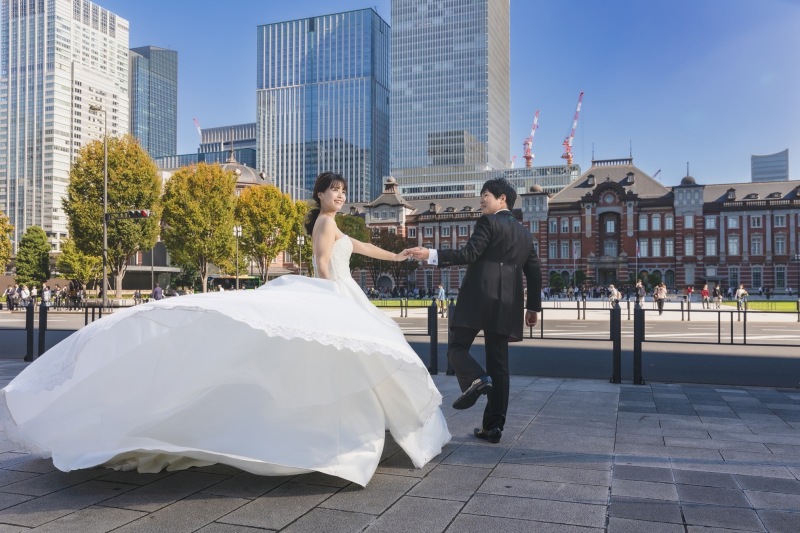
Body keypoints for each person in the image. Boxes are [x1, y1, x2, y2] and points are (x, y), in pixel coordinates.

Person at [0, 171, 450, 487]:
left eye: (343, 191)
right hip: (336, 292)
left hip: (345, 292)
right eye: (334, 191)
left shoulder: (340, 225)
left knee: (356, 358)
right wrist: (331, 297)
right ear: (320, 196)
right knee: (348, 359)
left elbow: (365, 246)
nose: (340, 197)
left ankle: (347, 432)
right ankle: (340, 434)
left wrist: (401, 254)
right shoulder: (323, 224)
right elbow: (320, 263)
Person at [407, 177, 542, 445]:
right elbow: (534, 272)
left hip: (477, 297)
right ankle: (493, 428)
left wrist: (431, 255)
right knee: (500, 366)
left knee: (456, 346)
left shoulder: (488, 223)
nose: (481, 200)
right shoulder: (525, 234)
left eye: (486, 195)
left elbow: (469, 254)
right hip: (506, 304)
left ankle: (477, 378)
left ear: (502, 199)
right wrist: (533, 307)